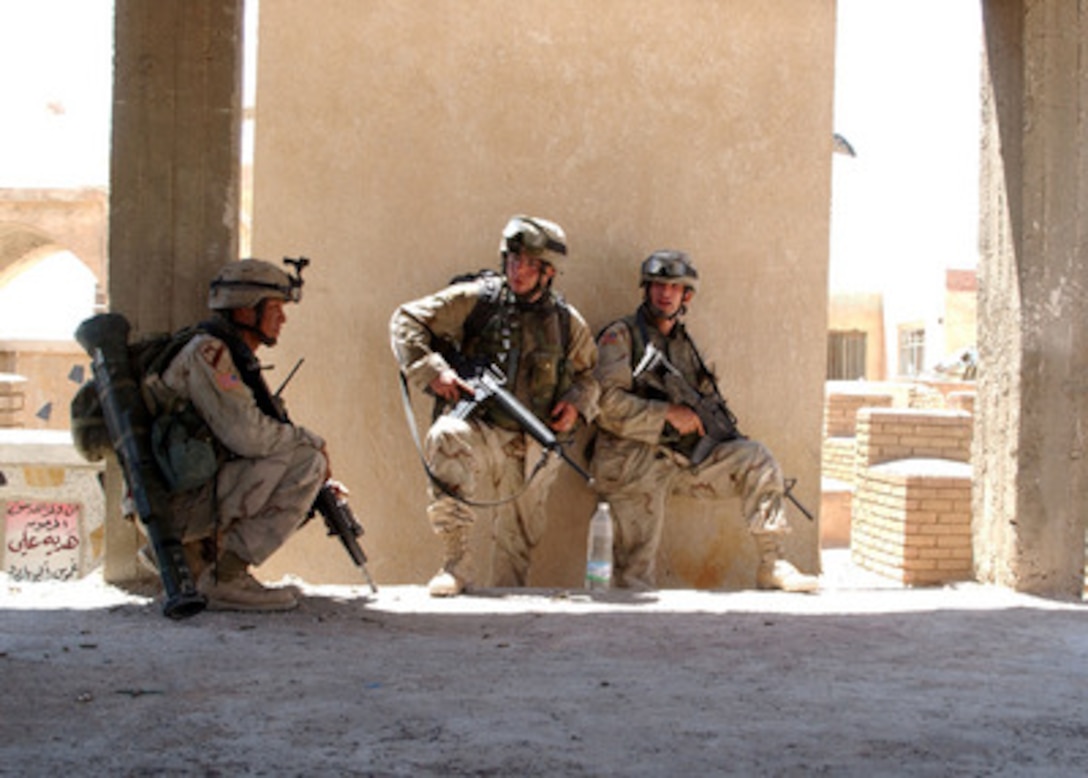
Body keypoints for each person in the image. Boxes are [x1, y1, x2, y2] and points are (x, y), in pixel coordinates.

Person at [390, 215, 599, 596]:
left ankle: (509, 608)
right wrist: (434, 370)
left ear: (548, 272)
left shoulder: (567, 323)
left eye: (530, 264)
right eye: (513, 259)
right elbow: (405, 321)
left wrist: (575, 403)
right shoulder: (477, 300)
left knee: (518, 540)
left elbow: (589, 376)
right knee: (447, 435)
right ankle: (456, 564)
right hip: (480, 428)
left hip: (532, 441)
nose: (518, 270)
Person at [591, 250, 818, 592]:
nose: (665, 293)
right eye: (657, 286)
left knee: (756, 458)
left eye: (674, 287)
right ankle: (633, 628)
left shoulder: (688, 347)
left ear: (687, 296)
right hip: (631, 462)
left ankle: (773, 563)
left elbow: (705, 401)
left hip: (682, 458)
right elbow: (605, 404)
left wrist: (713, 425)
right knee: (635, 573)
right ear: (646, 289)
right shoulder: (620, 337)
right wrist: (667, 414)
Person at [144, 258, 331, 611]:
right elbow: (249, 438)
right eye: (274, 308)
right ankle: (224, 576)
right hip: (174, 501)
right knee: (308, 463)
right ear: (246, 312)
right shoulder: (208, 353)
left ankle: (198, 561)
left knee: (301, 458)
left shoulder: (230, 355)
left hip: (183, 492)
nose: (283, 318)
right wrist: (312, 441)